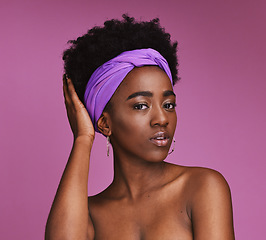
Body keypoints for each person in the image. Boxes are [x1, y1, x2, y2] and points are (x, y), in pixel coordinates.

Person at [45, 14, 235, 240]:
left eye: (169, 104)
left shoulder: (203, 187)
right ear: (105, 123)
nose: (162, 118)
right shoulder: (89, 214)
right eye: (141, 105)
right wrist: (83, 138)